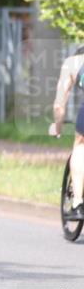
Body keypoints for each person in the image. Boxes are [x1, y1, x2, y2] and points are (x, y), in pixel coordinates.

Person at [49, 45, 84, 219]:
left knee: (80, 145)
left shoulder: (73, 63)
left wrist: (57, 127)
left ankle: (77, 202)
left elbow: (59, 105)